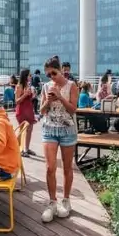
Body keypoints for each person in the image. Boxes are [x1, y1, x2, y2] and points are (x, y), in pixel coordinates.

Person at [40, 56, 79, 222]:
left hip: (67, 130)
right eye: (48, 75)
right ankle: (52, 202)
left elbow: (73, 110)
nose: (51, 78)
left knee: (67, 168)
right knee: (50, 167)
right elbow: (41, 111)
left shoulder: (71, 86)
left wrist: (60, 97)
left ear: (61, 70)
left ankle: (66, 199)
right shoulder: (46, 87)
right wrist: (48, 101)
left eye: (53, 73)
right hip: (49, 129)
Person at [15, 69, 37, 157]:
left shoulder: (28, 85)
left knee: (30, 130)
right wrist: (25, 94)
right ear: (25, 76)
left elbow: (28, 99)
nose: (30, 77)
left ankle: (26, 149)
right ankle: (19, 149)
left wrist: (33, 96)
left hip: (29, 110)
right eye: (29, 75)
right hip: (22, 111)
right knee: (22, 130)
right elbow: (17, 101)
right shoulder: (19, 86)